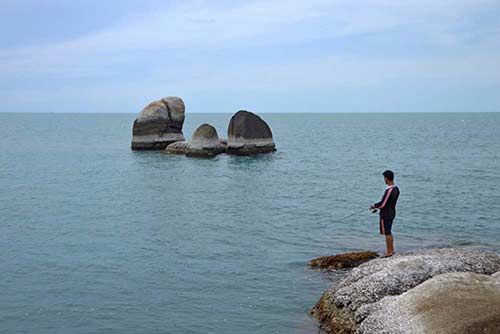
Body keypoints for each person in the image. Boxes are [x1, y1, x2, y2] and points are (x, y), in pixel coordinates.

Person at [370, 170, 400, 257]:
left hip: (386, 213)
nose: (384, 180)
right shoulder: (396, 188)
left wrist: (374, 205)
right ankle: (391, 250)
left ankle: (389, 251)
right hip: (392, 211)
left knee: (387, 232)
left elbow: (383, 203)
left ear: (386, 178)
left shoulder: (390, 190)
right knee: (388, 231)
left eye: (384, 178)